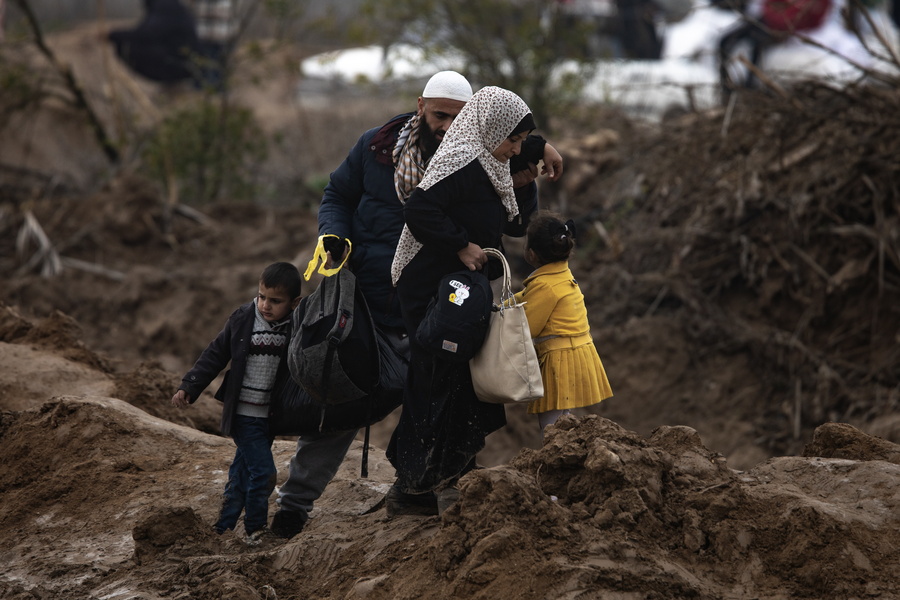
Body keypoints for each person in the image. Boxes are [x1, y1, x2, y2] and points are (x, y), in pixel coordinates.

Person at [270, 72, 565, 536]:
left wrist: (532, 158)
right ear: (421, 105)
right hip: (369, 299)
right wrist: (334, 234)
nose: (448, 125)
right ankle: (294, 505)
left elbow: (511, 214)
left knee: (445, 392)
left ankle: (432, 492)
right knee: (345, 397)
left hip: (440, 302)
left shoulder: (479, 156)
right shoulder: (376, 149)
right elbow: (339, 195)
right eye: (439, 114)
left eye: (458, 116)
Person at [387, 85, 542, 516]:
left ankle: (445, 480)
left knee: (459, 386)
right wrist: (461, 246)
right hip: (432, 294)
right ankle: (415, 490)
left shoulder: (491, 167)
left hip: (461, 294)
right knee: (436, 382)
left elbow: (512, 225)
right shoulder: (461, 162)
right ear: (491, 128)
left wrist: (525, 183)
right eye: (512, 140)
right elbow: (419, 211)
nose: (514, 149)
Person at [171, 261, 301, 544]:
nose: (266, 305)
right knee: (265, 473)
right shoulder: (243, 318)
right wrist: (190, 386)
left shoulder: (296, 326)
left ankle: (223, 528)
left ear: (294, 303)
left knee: (243, 472)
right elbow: (215, 354)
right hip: (243, 414)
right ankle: (255, 529)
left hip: (268, 417)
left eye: (276, 301)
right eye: (262, 296)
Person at [514, 210, 614, 435]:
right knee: (563, 417)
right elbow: (527, 296)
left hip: (559, 358)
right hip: (576, 351)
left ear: (531, 254)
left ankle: (558, 458)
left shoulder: (545, 286)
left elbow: (528, 327)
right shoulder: (562, 276)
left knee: (551, 423)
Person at [107, 0, 201, 84]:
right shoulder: (165, 5)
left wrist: (111, 35)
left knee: (126, 46)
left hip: (182, 64)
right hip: (184, 61)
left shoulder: (165, 5)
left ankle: (173, 83)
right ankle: (172, 85)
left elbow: (146, 33)